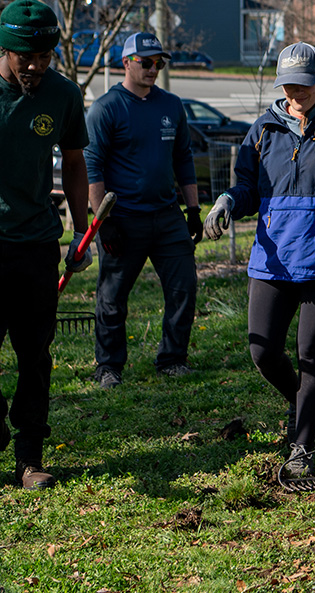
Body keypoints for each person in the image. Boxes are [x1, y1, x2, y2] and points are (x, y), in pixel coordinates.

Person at [202, 42, 315, 475]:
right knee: (262, 351)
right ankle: (305, 406)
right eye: (287, 85)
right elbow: (248, 186)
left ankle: (303, 446)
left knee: (310, 356)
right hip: (274, 260)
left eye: (303, 85)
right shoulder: (264, 129)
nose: (294, 94)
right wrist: (227, 200)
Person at [0, 0, 90, 490]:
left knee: (34, 354)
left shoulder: (62, 94)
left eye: (44, 56)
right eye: (24, 57)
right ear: (4, 48)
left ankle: (29, 457)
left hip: (35, 244)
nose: (35, 65)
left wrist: (82, 229)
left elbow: (74, 162)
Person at [84, 32, 201, 388]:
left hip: (167, 216)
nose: (153, 69)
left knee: (184, 288)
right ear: (126, 63)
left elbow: (183, 158)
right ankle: (108, 366)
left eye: (159, 63)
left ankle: (172, 358)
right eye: (146, 62)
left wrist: (193, 209)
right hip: (123, 219)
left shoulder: (171, 105)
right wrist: (103, 222)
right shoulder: (106, 108)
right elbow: (92, 166)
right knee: (112, 297)